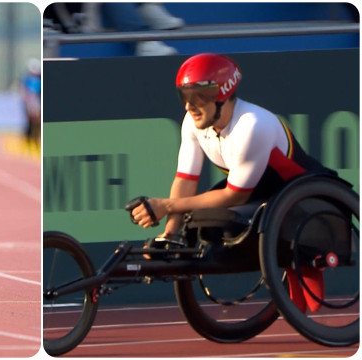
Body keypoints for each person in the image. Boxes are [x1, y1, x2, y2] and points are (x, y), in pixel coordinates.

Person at [128, 53, 335, 312]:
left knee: (224, 212)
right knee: (208, 220)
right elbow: (185, 179)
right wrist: (170, 234)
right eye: (185, 97)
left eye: (198, 97)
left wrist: (165, 205)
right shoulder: (193, 124)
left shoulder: (252, 125)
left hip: (299, 190)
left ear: (222, 96)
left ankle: (301, 257)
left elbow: (234, 196)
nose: (189, 107)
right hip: (257, 192)